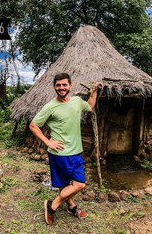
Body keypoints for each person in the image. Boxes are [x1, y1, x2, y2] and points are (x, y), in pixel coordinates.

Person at [29, 73, 102, 224]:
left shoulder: (76, 101)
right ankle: (71, 206)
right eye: (58, 85)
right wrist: (47, 142)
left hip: (76, 152)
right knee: (64, 184)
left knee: (79, 184)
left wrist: (94, 91)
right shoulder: (50, 106)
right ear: (54, 87)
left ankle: (52, 205)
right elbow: (33, 125)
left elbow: (89, 106)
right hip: (59, 153)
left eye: (64, 85)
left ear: (70, 86)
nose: (61, 88)